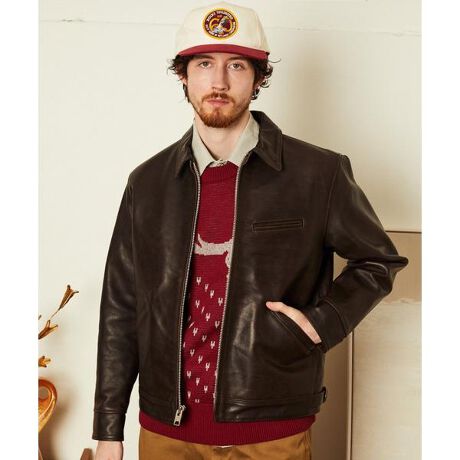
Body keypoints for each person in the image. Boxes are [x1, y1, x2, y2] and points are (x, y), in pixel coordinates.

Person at [92, 2, 409, 459]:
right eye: (204, 64)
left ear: (258, 78)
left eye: (236, 65)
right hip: (166, 431)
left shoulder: (318, 173)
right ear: (184, 76)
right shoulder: (147, 183)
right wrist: (108, 428)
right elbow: (120, 306)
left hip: (272, 428)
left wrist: (322, 323)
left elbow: (378, 260)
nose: (219, 82)